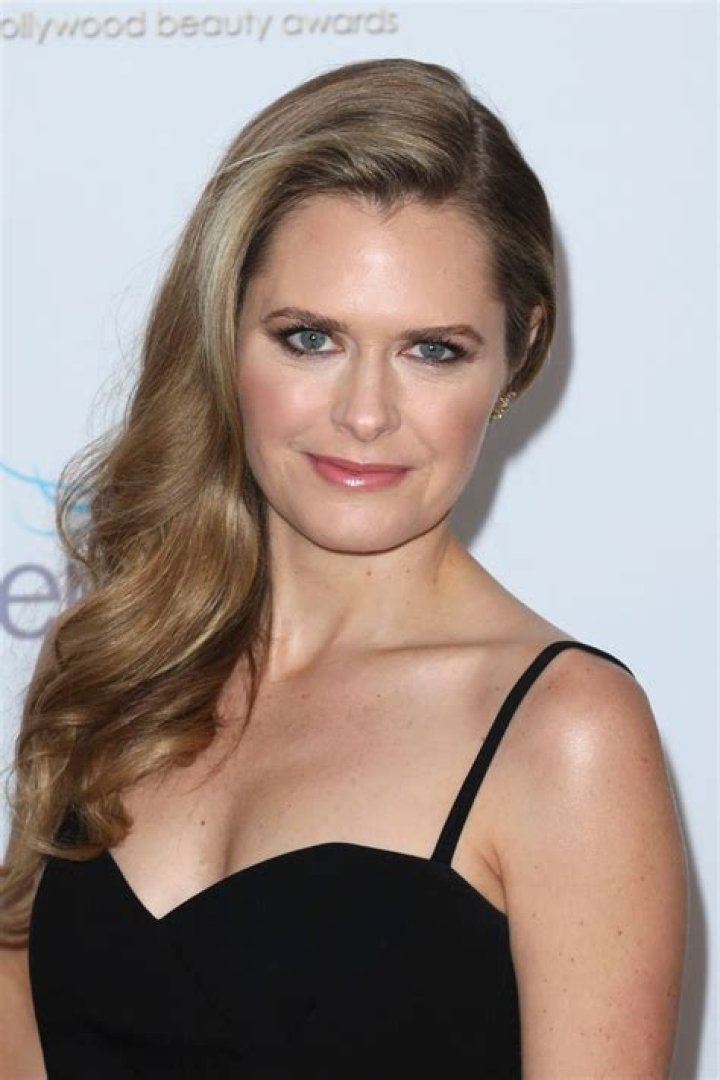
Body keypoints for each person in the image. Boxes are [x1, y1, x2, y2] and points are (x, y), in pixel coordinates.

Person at [1, 58, 686, 1078]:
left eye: (433, 350)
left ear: (519, 351)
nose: (366, 414)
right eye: (310, 338)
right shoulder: (113, 659)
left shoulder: (564, 735)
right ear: (225, 330)